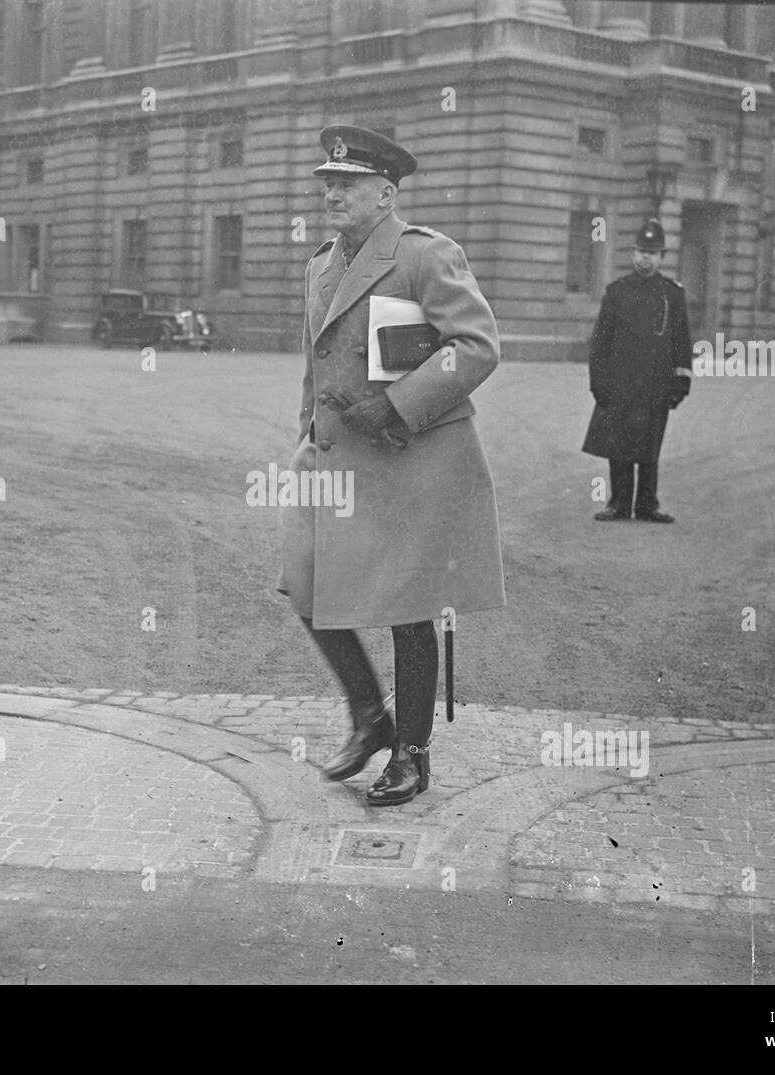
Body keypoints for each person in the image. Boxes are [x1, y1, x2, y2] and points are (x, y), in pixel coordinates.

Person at [276, 125, 506, 807]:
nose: (332, 193)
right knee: (307, 583)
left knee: (409, 607)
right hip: (338, 454)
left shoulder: (425, 256)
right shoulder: (319, 265)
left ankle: (411, 752)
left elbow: (477, 344)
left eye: (347, 183)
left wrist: (398, 405)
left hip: (414, 456)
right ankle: (369, 715)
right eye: (327, 181)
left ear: (385, 192)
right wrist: (305, 441)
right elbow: (315, 367)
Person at [581, 218, 693, 523]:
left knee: (649, 444)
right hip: (620, 384)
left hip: (656, 385)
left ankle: (646, 504)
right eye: (642, 251)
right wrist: (598, 384)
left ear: (662, 257)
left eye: (653, 252)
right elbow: (600, 343)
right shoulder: (617, 292)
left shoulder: (673, 295)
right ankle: (618, 503)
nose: (646, 257)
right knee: (618, 444)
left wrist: (681, 382)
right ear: (633, 254)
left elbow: (682, 341)